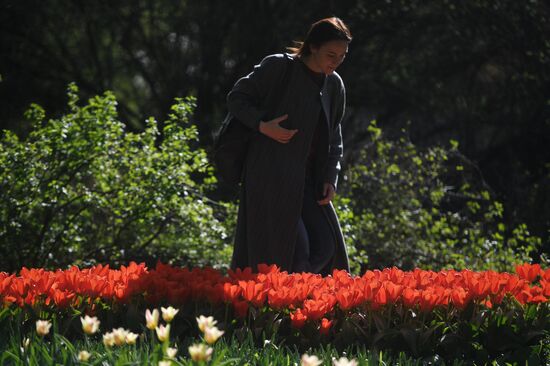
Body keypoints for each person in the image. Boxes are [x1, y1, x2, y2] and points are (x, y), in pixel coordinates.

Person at [228, 17, 352, 275]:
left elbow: (334, 135)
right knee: (296, 249)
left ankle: (302, 300)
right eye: (331, 54)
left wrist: (331, 176)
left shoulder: (334, 85)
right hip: (269, 178)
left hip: (309, 182)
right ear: (312, 47)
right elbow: (237, 98)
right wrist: (263, 126)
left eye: (342, 56)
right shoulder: (278, 67)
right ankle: (286, 306)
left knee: (327, 247)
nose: (336, 61)